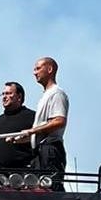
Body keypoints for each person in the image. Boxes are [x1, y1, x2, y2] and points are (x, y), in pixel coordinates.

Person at [10, 57, 68, 191]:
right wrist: (21, 139)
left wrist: (32, 131)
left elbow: (59, 121)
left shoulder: (57, 93)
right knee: (38, 190)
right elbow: (44, 128)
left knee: (50, 189)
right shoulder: (46, 95)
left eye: (38, 68)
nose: (34, 72)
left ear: (49, 69)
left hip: (50, 149)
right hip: (40, 151)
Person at [0, 81, 36, 173]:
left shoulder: (32, 116)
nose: (4, 97)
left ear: (19, 97)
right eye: (3, 94)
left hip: (23, 178)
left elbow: (42, 138)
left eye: (8, 93)